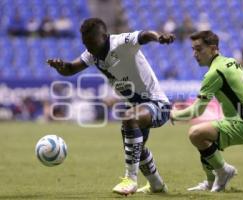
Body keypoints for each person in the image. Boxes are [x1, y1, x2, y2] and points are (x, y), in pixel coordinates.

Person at [46, 18, 175, 195]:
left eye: (92, 42)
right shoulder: (92, 54)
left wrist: (159, 37)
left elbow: (144, 35)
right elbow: (70, 69)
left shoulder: (120, 42)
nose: (89, 48)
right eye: (85, 44)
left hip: (157, 105)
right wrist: (61, 67)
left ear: (105, 36)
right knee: (137, 149)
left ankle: (130, 179)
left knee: (129, 119)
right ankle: (157, 185)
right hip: (138, 107)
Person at [170, 31, 243, 192]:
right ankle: (212, 181)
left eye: (199, 49)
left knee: (196, 133)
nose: (194, 54)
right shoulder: (232, 62)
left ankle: (224, 171)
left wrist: (173, 115)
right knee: (205, 139)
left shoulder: (214, 73)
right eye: (193, 49)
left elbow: (196, 111)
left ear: (212, 49)